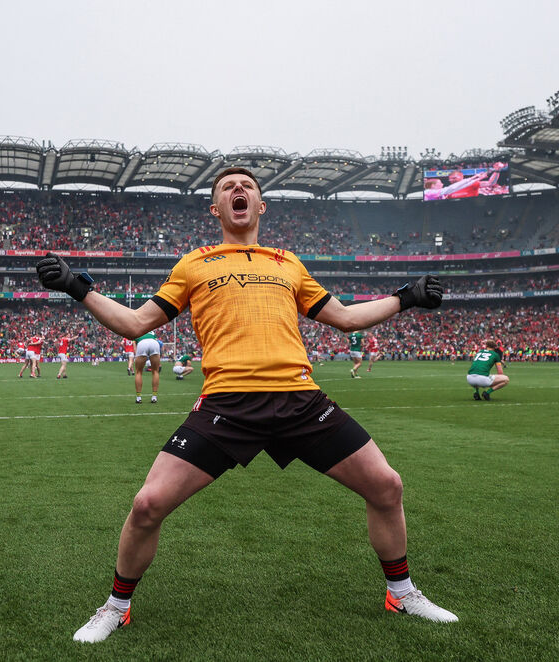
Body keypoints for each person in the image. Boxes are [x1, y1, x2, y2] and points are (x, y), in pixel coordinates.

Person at [37, 167, 455, 644]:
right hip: (227, 405)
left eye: (248, 187)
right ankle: (116, 605)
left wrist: (406, 297)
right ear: (215, 208)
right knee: (148, 504)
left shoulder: (288, 264)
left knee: (386, 485)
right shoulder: (195, 264)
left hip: (300, 400)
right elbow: (136, 323)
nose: (238, 190)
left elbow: (345, 318)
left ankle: (401, 591)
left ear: (261, 206)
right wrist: (78, 286)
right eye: (227, 188)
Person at [131, 331, 160, 403]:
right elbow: (157, 341)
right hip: (154, 343)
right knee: (155, 371)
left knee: (138, 372)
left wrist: (136, 354)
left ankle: (138, 398)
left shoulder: (136, 330)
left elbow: (134, 343)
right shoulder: (152, 331)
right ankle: (154, 397)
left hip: (142, 343)